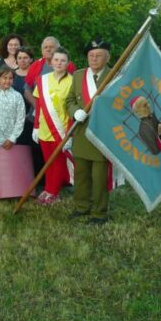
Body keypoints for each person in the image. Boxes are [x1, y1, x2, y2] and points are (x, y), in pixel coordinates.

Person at [65, 38, 113, 224]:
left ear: (107, 58)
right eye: (91, 55)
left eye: (98, 55)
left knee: (99, 177)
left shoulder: (114, 76)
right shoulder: (78, 75)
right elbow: (69, 100)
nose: (93, 59)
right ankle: (81, 207)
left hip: (102, 134)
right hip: (81, 132)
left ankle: (100, 213)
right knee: (81, 174)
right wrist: (75, 111)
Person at [32, 47, 74, 206]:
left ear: (68, 63)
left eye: (63, 60)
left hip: (61, 130)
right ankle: (49, 189)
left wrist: (70, 134)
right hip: (44, 129)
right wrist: (36, 126)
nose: (59, 63)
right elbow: (39, 105)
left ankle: (54, 192)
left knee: (58, 162)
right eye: (56, 60)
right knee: (48, 161)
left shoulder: (72, 82)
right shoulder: (42, 79)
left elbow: (72, 110)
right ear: (51, 61)